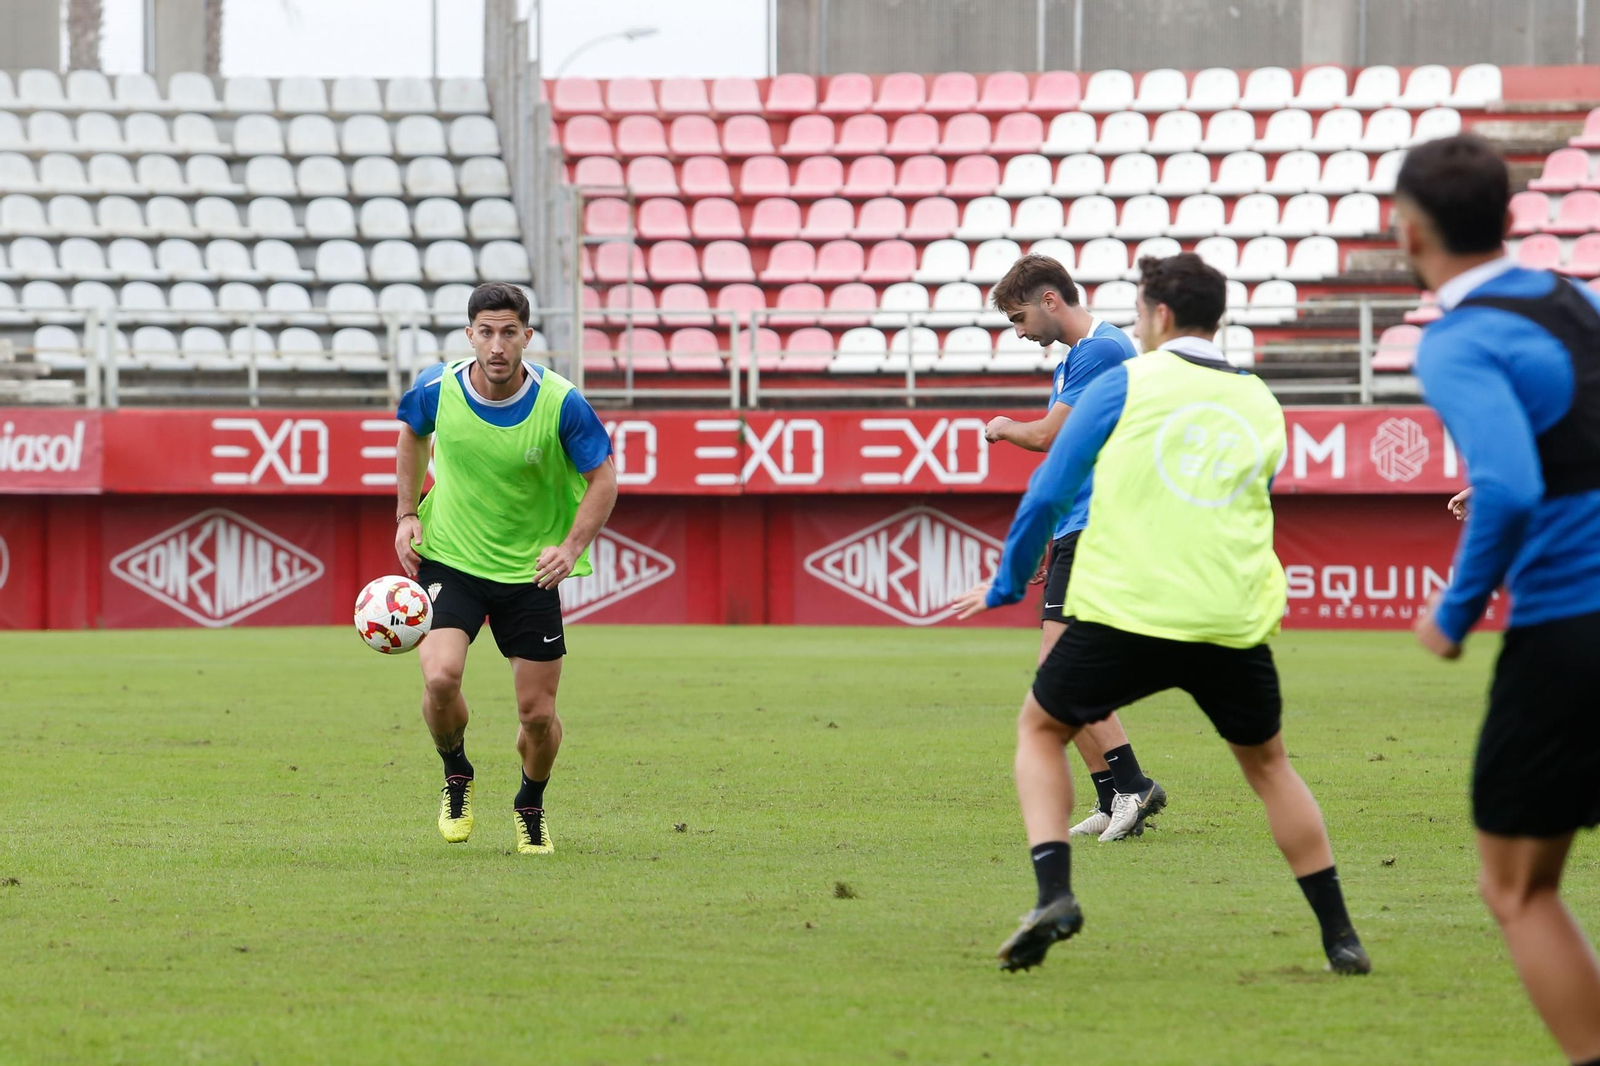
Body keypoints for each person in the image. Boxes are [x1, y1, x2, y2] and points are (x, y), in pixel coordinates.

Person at [955, 254, 1369, 977]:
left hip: (1134, 606)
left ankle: (1054, 894)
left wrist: (1004, 583)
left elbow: (1050, 488)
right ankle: (1341, 936)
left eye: (1143, 312)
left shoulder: (1124, 379)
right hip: (1229, 617)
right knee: (1271, 769)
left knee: (1039, 727)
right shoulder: (1262, 402)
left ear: (1162, 317)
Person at [1398, 134, 1600, 1066]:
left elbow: (1513, 488)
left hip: (1572, 627)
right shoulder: (1581, 302)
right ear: (1512, 216)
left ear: (1407, 230)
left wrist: (1454, 608)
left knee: (1517, 888)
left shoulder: (1459, 341)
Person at [394, 282, 618, 855]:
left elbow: (604, 479)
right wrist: (405, 513)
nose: (497, 345)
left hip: (529, 574)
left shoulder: (562, 402)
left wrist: (568, 548)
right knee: (440, 677)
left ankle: (530, 802)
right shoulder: (434, 387)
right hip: (451, 558)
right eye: (486, 332)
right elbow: (412, 435)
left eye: (509, 333)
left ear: (527, 337)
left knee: (537, 717)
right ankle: (456, 772)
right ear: (469, 335)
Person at [982, 254, 1168, 842]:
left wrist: (1002, 427)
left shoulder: (1101, 351)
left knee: (1061, 671)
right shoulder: (1076, 362)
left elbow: (1046, 437)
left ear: (1049, 301)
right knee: (1055, 672)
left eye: (1018, 317)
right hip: (1078, 525)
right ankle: (1114, 795)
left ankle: (1134, 786)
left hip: (1101, 527)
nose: (1019, 331)